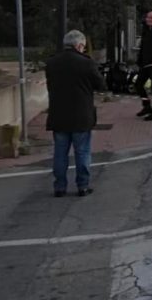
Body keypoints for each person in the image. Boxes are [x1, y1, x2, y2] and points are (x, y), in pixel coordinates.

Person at [45, 30, 106, 197]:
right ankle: (83, 185)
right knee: (82, 152)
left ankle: (59, 187)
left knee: (60, 152)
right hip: (81, 115)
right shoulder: (86, 63)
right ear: (79, 45)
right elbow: (100, 84)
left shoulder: (51, 63)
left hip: (58, 114)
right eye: (83, 47)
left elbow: (50, 85)